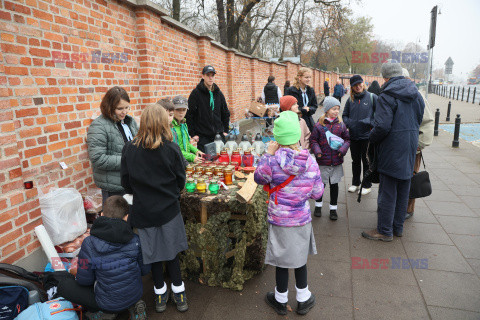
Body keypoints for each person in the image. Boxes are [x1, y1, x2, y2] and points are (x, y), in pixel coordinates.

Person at [254, 111, 324, 316]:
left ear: (277, 138)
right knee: (300, 259)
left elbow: (259, 178)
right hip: (301, 219)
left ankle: (280, 299)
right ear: (297, 136)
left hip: (279, 218)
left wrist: (267, 154)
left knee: (281, 261)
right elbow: (318, 193)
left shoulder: (272, 161)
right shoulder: (310, 161)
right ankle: (303, 298)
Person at [121, 104, 189, 313]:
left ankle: (160, 292)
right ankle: (179, 292)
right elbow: (181, 179)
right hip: (168, 209)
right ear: (162, 122)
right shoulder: (171, 148)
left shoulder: (129, 149)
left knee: (153, 254)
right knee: (171, 252)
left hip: (143, 209)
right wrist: (171, 194)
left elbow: (126, 183)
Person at [361, 60, 424, 242]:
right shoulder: (416, 94)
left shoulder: (387, 95)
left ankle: (384, 231)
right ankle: (398, 228)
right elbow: (418, 119)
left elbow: (382, 126)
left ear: (385, 76)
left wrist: (371, 138)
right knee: (404, 187)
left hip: (392, 147)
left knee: (387, 191)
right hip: (410, 144)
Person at [57, 196, 149, 320]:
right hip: (134, 295)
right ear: (126, 217)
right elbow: (145, 270)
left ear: (101, 214)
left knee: (64, 285)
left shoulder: (88, 243)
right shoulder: (136, 240)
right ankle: (132, 305)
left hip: (107, 302)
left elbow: (84, 281)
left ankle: (103, 312)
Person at [87, 86, 138, 206]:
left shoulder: (129, 121)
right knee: (117, 222)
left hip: (131, 182)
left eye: (127, 107)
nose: (124, 112)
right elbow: (98, 158)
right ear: (109, 107)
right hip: (114, 187)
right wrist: (128, 160)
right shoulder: (98, 126)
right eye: (120, 108)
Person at [310, 97, 350, 220]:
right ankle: (318, 206)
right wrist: (317, 152)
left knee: (334, 186)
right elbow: (313, 140)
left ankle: (333, 209)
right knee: (321, 185)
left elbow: (347, 140)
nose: (336, 111)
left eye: (338, 109)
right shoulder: (319, 126)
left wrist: (342, 150)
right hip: (323, 161)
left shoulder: (341, 125)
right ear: (327, 110)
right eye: (334, 109)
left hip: (336, 161)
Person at [402, 68, 434, 219]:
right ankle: (399, 206)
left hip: (413, 148)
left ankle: (409, 209)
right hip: (400, 147)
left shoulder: (418, 96)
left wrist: (419, 144)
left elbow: (427, 122)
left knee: (412, 178)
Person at [342, 75, 377, 196]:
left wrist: (370, 122)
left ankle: (367, 185)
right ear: (352, 87)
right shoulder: (350, 99)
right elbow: (345, 115)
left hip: (367, 136)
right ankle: (355, 183)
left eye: (359, 84)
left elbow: (379, 115)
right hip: (354, 135)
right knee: (355, 161)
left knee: (366, 161)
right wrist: (349, 123)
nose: (358, 87)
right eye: (355, 85)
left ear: (363, 83)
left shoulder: (372, 97)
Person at [187, 65, 230, 152]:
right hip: (203, 137)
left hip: (219, 136)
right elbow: (189, 115)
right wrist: (192, 134)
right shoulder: (196, 94)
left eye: (212, 75)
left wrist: (225, 130)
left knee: (222, 161)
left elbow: (225, 112)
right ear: (203, 76)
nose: (210, 78)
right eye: (208, 75)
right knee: (207, 162)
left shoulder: (218, 93)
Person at [171, 95, 204, 163]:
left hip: (184, 161)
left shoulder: (183, 124)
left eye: (184, 109)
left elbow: (186, 144)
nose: (181, 112)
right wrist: (192, 157)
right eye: (178, 109)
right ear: (172, 110)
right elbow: (174, 150)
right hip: (176, 163)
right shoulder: (170, 127)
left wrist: (196, 151)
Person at [288, 67, 318, 131]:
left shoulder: (311, 90)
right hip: (295, 120)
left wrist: (309, 109)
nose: (309, 79)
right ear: (300, 78)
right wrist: (301, 110)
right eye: (306, 77)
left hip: (308, 120)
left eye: (310, 77)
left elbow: (315, 106)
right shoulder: (291, 90)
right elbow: (287, 107)